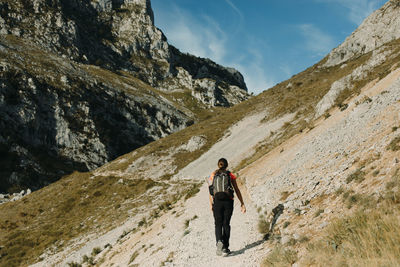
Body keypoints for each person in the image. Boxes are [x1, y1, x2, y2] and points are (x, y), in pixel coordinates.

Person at [208, 158, 246, 256]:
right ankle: (225, 248)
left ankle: (219, 241)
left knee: (217, 224)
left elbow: (211, 191)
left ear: (218, 165)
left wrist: (211, 204)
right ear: (227, 165)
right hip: (228, 202)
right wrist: (242, 203)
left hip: (217, 202)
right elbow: (236, 189)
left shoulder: (213, 175)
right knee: (226, 224)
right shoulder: (230, 175)